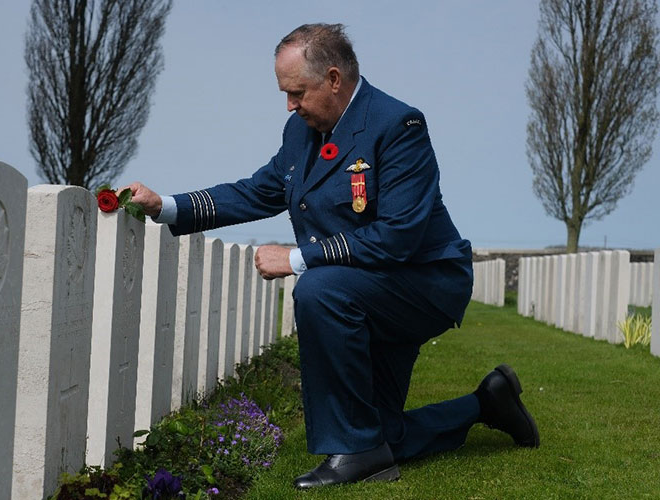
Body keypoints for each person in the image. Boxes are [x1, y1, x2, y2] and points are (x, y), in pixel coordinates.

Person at [119, 23, 539, 490]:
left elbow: (397, 236)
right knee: (381, 436)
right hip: (367, 288)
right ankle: (487, 404)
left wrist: (297, 257)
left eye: (297, 92)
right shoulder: (300, 133)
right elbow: (257, 192)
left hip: (423, 282)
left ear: (334, 79)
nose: (290, 105)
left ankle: (355, 448)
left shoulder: (398, 126)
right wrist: (168, 206)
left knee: (318, 289)